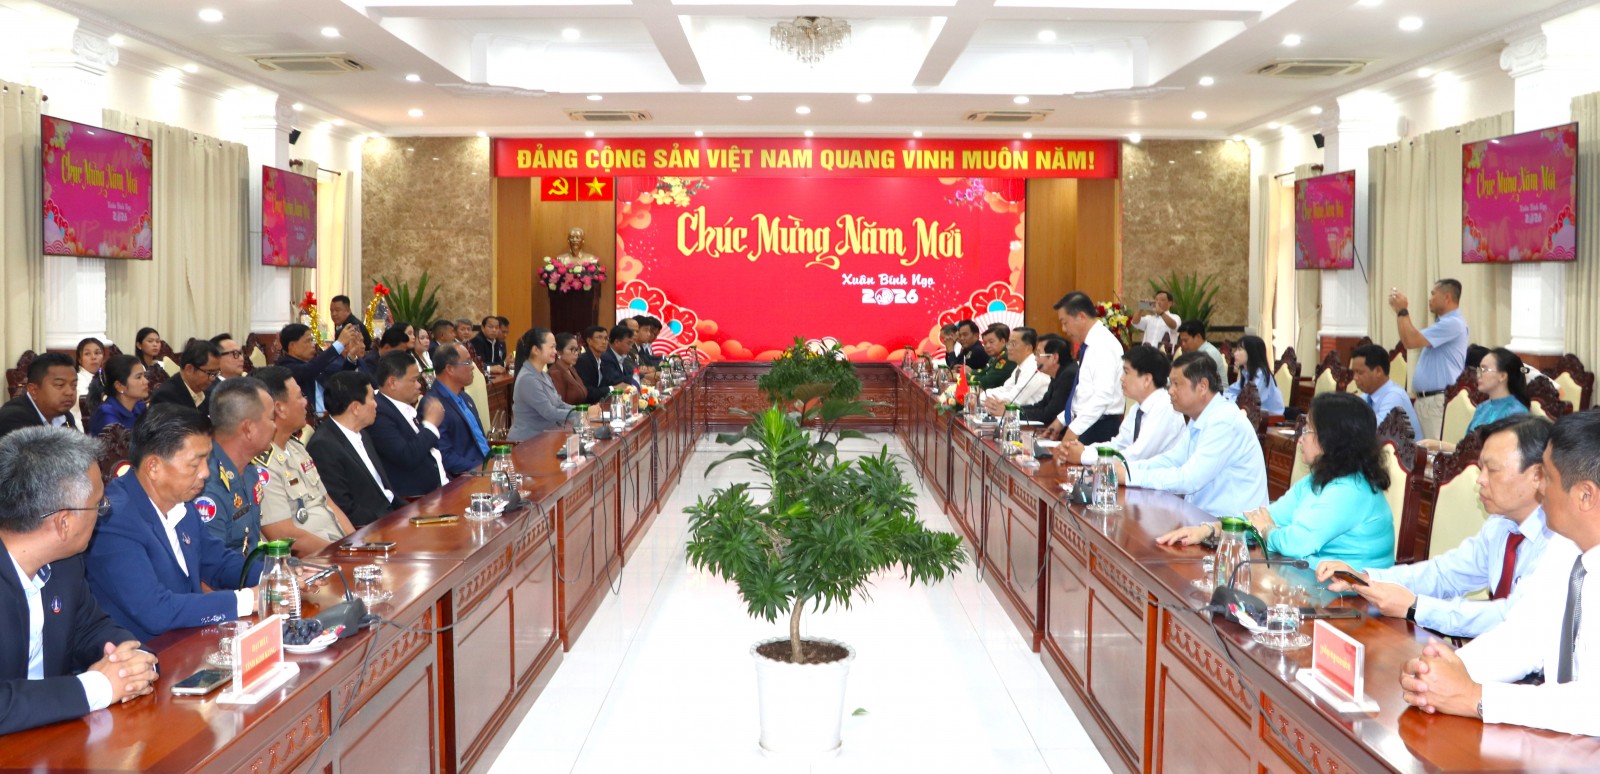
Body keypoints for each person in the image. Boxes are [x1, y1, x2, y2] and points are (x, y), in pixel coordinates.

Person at [1396, 411, 1600, 735]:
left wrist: (1476, 697)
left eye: (1547, 477)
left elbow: (1592, 706)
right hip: (1558, 740)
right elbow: (1524, 635)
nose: (1539, 488)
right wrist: (1447, 670)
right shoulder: (1566, 546)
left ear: (1585, 495)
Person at [1320, 416, 1554, 637]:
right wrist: (1364, 579)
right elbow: (1444, 575)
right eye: (1481, 468)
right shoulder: (1501, 525)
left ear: (1538, 475)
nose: (1480, 479)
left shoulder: (1558, 541)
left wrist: (1415, 607)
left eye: (1492, 470)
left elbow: (1511, 618)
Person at [0, 427, 159, 735]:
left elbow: (92, 629)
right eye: (99, 504)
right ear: (64, 523)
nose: (103, 512)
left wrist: (134, 663)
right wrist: (97, 687)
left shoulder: (65, 565)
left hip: (53, 737)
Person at [86, 404, 264, 642]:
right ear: (154, 467)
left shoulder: (181, 503)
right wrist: (248, 599)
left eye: (207, 460)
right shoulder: (114, 520)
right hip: (147, 654)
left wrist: (276, 574)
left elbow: (219, 562)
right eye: (195, 464)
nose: (206, 473)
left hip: (191, 642)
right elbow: (156, 610)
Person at [1158, 391, 1392, 569]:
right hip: (1313, 580)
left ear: (1332, 440)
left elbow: (1296, 543)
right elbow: (1267, 516)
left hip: (1352, 599)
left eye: (1308, 431)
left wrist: (1268, 530)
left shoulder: (1351, 490)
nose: (1301, 438)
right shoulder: (1317, 480)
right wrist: (1210, 530)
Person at [1123, 352, 1268, 518]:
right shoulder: (1199, 416)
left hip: (1233, 528)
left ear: (1202, 387)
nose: (1170, 391)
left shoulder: (1224, 421)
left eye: (1176, 384)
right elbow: (1173, 460)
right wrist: (1126, 469)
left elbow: (1189, 479)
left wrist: (1129, 476)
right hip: (1202, 519)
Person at [253, 367, 356, 554]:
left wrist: (356, 545)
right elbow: (282, 535)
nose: (306, 402)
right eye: (300, 396)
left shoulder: (297, 448)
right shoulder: (262, 466)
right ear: (280, 409)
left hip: (337, 548)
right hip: (312, 561)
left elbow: (328, 503)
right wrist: (341, 554)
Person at [306, 372, 401, 528]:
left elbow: (385, 492)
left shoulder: (363, 434)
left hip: (392, 516)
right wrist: (389, 522)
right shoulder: (323, 446)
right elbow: (344, 509)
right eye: (372, 398)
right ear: (356, 408)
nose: (376, 404)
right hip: (370, 528)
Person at [1064, 345, 1185, 466]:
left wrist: (1083, 456)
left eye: (1126, 372)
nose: (1121, 378)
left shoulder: (1165, 408)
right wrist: (1083, 450)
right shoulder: (1138, 408)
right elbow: (1118, 445)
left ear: (1147, 379)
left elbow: (1135, 456)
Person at [196, 378, 276, 556]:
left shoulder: (249, 470)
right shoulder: (206, 484)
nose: (275, 426)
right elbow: (213, 567)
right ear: (248, 428)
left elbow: (252, 545)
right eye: (272, 418)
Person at [1391, 279, 1468, 441]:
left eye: (1433, 294)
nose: (1430, 299)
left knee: (1432, 451)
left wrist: (1403, 310)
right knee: (1419, 451)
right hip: (1426, 401)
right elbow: (1407, 341)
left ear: (1447, 297)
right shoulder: (1443, 323)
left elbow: (1411, 340)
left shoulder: (1453, 323)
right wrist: (1399, 312)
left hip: (1436, 401)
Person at [1044, 291, 1125, 445]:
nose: (1064, 329)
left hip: (1099, 427)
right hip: (1088, 424)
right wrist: (1061, 420)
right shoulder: (1091, 344)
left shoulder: (1103, 345)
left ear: (1081, 316)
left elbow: (1102, 397)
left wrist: (1074, 430)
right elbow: (1084, 392)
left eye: (1065, 322)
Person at [369, 352, 448, 500]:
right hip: (415, 500)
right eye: (414, 380)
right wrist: (430, 425)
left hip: (439, 489)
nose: (419, 385)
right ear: (393, 383)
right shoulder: (378, 413)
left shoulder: (401, 406)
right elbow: (407, 456)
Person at [509, 327, 583, 442]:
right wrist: (581, 414)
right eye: (552, 347)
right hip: (528, 443)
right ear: (536, 350)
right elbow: (549, 412)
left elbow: (559, 404)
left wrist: (583, 410)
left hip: (545, 438)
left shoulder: (543, 375)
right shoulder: (527, 379)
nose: (555, 351)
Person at [428, 343, 490, 476]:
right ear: (450, 369)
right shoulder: (433, 405)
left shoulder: (465, 398)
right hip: (468, 475)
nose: (472, 366)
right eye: (467, 362)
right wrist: (483, 469)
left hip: (487, 466)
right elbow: (445, 456)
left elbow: (480, 441)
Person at [277, 322, 363, 416]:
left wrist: (352, 355)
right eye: (308, 341)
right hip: (309, 419)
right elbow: (309, 370)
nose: (313, 345)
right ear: (292, 346)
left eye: (312, 340)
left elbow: (339, 381)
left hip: (328, 416)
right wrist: (339, 343)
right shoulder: (286, 367)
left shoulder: (313, 364)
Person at [1350, 344, 1422, 442]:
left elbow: (1377, 432)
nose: (1355, 378)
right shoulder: (1366, 397)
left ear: (1378, 371)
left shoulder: (1395, 396)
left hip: (1406, 451)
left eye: (1360, 372)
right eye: (1353, 372)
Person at [0, 353, 79, 438]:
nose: (70, 392)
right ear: (33, 390)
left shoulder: (66, 417)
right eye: (60, 384)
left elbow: (79, 444)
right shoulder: (14, 418)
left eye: (74, 385)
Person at [982, 327, 1047, 413]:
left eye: (1013, 344)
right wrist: (984, 395)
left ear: (1028, 348)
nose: (1008, 348)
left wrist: (986, 399)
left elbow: (1013, 400)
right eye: (1008, 343)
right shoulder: (1020, 367)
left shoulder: (1034, 368)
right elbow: (1006, 389)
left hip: (1031, 418)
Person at [149, 339, 221, 415]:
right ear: (189, 369)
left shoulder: (205, 392)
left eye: (216, 373)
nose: (213, 379)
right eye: (210, 373)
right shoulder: (165, 397)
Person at [1223, 334, 1285, 416]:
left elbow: (1250, 401)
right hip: (1251, 415)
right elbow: (1228, 392)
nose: (1235, 354)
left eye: (1239, 350)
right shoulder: (1246, 373)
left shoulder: (1261, 375)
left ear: (1252, 352)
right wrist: (1235, 398)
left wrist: (1234, 398)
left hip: (1269, 419)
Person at [87, 355, 149, 435]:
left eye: (144, 376)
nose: (146, 381)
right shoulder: (106, 413)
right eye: (139, 377)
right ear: (119, 386)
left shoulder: (139, 406)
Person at [1021, 336, 1075, 425]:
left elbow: (1048, 415)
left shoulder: (1068, 376)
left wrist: (1014, 413)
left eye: (1038, 354)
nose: (1035, 358)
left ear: (1054, 358)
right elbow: (1042, 405)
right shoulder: (1058, 374)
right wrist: (1013, 410)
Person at [1176, 320, 1228, 385]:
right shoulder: (1194, 353)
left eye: (1186, 340)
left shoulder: (1209, 353)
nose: (1183, 344)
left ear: (1198, 337)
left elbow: (1194, 379)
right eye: (1181, 341)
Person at [549, 332, 595, 404]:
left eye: (577, 349)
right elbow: (559, 405)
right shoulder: (555, 373)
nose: (576, 353)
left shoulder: (572, 369)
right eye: (572, 349)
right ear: (559, 352)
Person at [72, 337, 105, 429]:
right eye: (87, 354)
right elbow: (85, 403)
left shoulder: (105, 377)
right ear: (79, 359)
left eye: (97, 353)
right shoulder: (77, 379)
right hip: (82, 425)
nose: (93, 357)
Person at [972, 324, 1015, 390]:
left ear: (1003, 341)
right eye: (985, 343)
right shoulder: (995, 355)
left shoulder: (1006, 357)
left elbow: (988, 382)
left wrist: (963, 377)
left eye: (991, 342)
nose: (987, 346)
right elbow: (984, 372)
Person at [600, 324, 639, 391]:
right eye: (628, 343)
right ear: (617, 342)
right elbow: (616, 380)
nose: (631, 347)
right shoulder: (606, 357)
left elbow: (631, 373)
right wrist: (638, 377)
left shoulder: (622, 356)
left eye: (632, 344)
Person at [576, 324, 608, 396]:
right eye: (599, 338)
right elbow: (587, 390)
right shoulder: (583, 361)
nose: (604, 342)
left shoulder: (603, 360)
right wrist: (611, 388)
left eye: (606, 338)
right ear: (589, 341)